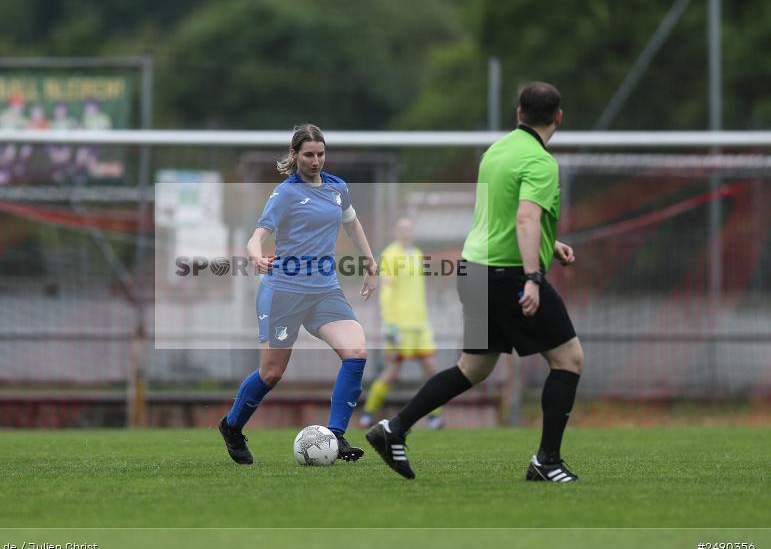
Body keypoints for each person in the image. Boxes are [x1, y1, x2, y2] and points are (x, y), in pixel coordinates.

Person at [366, 82, 584, 482]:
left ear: (518, 113)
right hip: (509, 276)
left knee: (474, 367)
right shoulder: (541, 162)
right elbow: (524, 219)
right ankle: (546, 461)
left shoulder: (495, 152)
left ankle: (394, 428)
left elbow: (502, 219)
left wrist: (550, 246)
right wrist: (534, 277)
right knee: (569, 359)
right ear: (559, 117)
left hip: (475, 271)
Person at [219, 124, 378, 465]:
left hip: (324, 291)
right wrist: (256, 256)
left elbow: (352, 224)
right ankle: (232, 427)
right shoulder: (286, 193)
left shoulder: (338, 188)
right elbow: (257, 235)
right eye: (308, 155)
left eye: (321, 154)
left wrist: (370, 261)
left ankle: (334, 437)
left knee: (357, 352)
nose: (316, 161)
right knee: (272, 373)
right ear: (295, 155)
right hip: (284, 291)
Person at [359, 217, 443, 430]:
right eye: (402, 228)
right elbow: (387, 292)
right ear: (396, 230)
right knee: (392, 371)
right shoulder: (390, 254)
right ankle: (368, 413)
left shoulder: (417, 255)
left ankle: (434, 417)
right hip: (400, 324)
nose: (406, 232)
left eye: (409, 228)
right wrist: (390, 324)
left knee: (433, 371)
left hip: (420, 325)